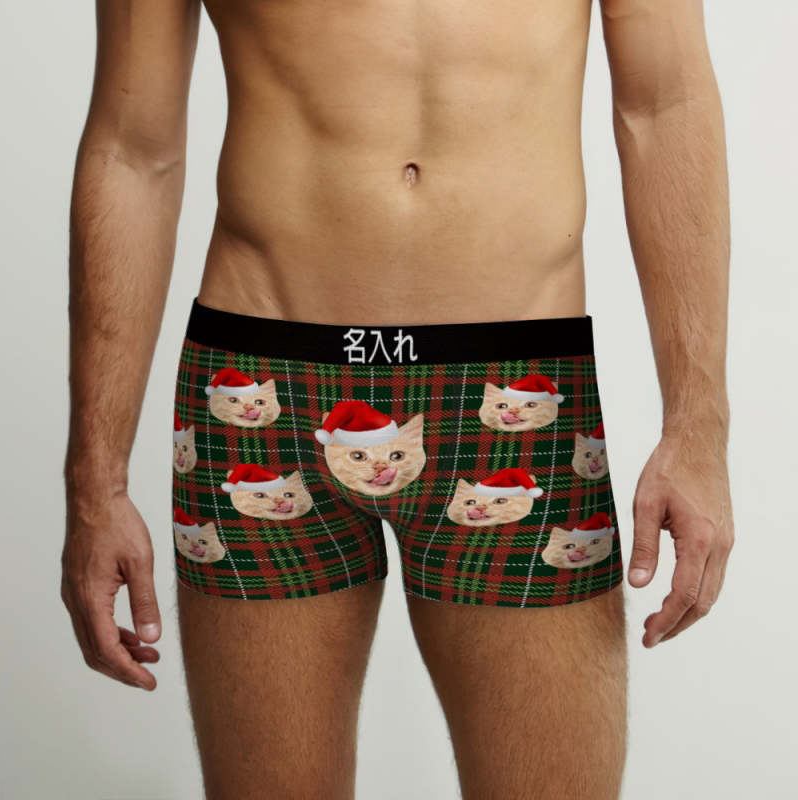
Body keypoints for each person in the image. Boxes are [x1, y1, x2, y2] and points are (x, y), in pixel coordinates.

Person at [61, 1, 734, 797]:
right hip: (263, 391)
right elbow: (132, 149)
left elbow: (664, 105)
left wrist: (699, 429)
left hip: (516, 398)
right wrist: (95, 485)